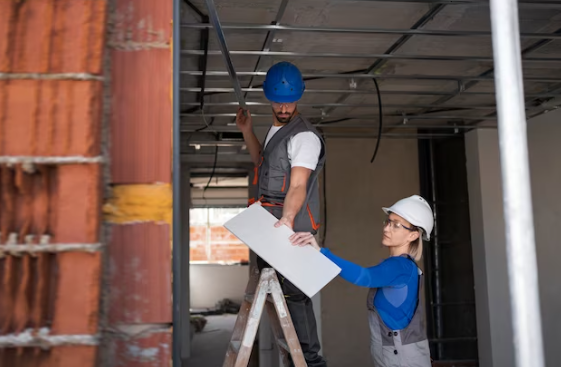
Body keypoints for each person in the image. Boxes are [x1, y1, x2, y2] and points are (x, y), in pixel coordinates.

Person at [236, 61, 328, 367]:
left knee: (295, 299)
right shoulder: (277, 130)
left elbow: (298, 184)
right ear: (269, 99)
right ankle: (295, 360)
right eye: (278, 101)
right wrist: (247, 132)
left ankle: (312, 364)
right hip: (269, 228)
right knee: (280, 299)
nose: (284, 107)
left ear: (299, 97)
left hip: (290, 230)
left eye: (289, 101)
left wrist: (287, 220)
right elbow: (262, 163)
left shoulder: (304, 137)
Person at [289, 195, 434, 367]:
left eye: (396, 225)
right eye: (388, 221)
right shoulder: (401, 267)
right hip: (395, 355)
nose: (387, 228)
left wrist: (322, 252)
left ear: (413, 235)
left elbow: (364, 277)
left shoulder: (400, 267)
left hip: (402, 359)